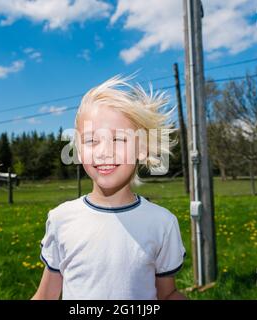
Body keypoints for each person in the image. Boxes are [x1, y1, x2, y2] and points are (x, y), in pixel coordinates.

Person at [31, 75, 187, 300]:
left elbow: (167, 294)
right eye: (91, 141)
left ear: (142, 149)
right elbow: (46, 296)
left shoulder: (162, 223)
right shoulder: (60, 219)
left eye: (119, 139)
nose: (104, 151)